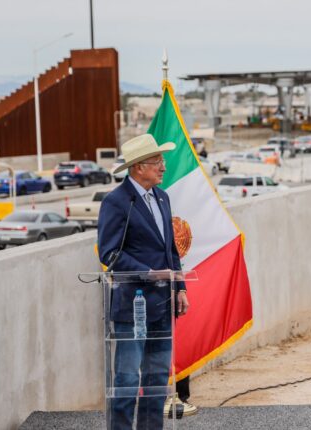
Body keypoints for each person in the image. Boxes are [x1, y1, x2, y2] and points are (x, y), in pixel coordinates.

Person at [98, 134, 191, 429]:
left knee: (157, 379)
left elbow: (171, 251)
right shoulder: (116, 202)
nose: (163, 167)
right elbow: (110, 253)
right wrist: (149, 274)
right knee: (126, 379)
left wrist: (180, 287)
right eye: (157, 162)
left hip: (163, 306)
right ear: (138, 167)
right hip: (132, 306)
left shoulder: (162, 197)